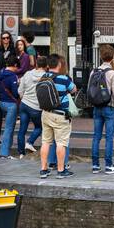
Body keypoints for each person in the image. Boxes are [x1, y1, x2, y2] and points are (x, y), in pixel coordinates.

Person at [39, 52, 76, 180]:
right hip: (60, 115)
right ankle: (61, 170)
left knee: (45, 142)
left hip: (45, 113)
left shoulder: (43, 77)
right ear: (59, 64)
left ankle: (43, 169)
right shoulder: (64, 78)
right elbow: (74, 90)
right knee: (61, 142)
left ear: (48, 65)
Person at [90, 43, 114, 174]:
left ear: (101, 56)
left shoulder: (93, 71)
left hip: (97, 107)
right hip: (109, 108)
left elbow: (90, 90)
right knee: (109, 137)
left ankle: (95, 165)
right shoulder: (113, 73)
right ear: (112, 57)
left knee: (96, 136)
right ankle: (109, 165)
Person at [17, 52, 47, 157]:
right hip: (36, 107)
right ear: (46, 66)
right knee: (40, 127)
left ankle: (21, 153)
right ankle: (29, 142)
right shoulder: (46, 77)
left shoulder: (27, 74)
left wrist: (23, 98)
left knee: (22, 129)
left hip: (24, 104)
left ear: (36, 64)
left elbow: (20, 90)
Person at [0, 55, 22, 159]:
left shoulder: (0, 73)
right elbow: (16, 93)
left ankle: (7, 149)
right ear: (15, 65)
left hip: (1, 101)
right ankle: (4, 152)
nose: (17, 70)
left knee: (7, 128)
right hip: (11, 104)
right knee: (9, 128)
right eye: (17, 67)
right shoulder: (13, 76)